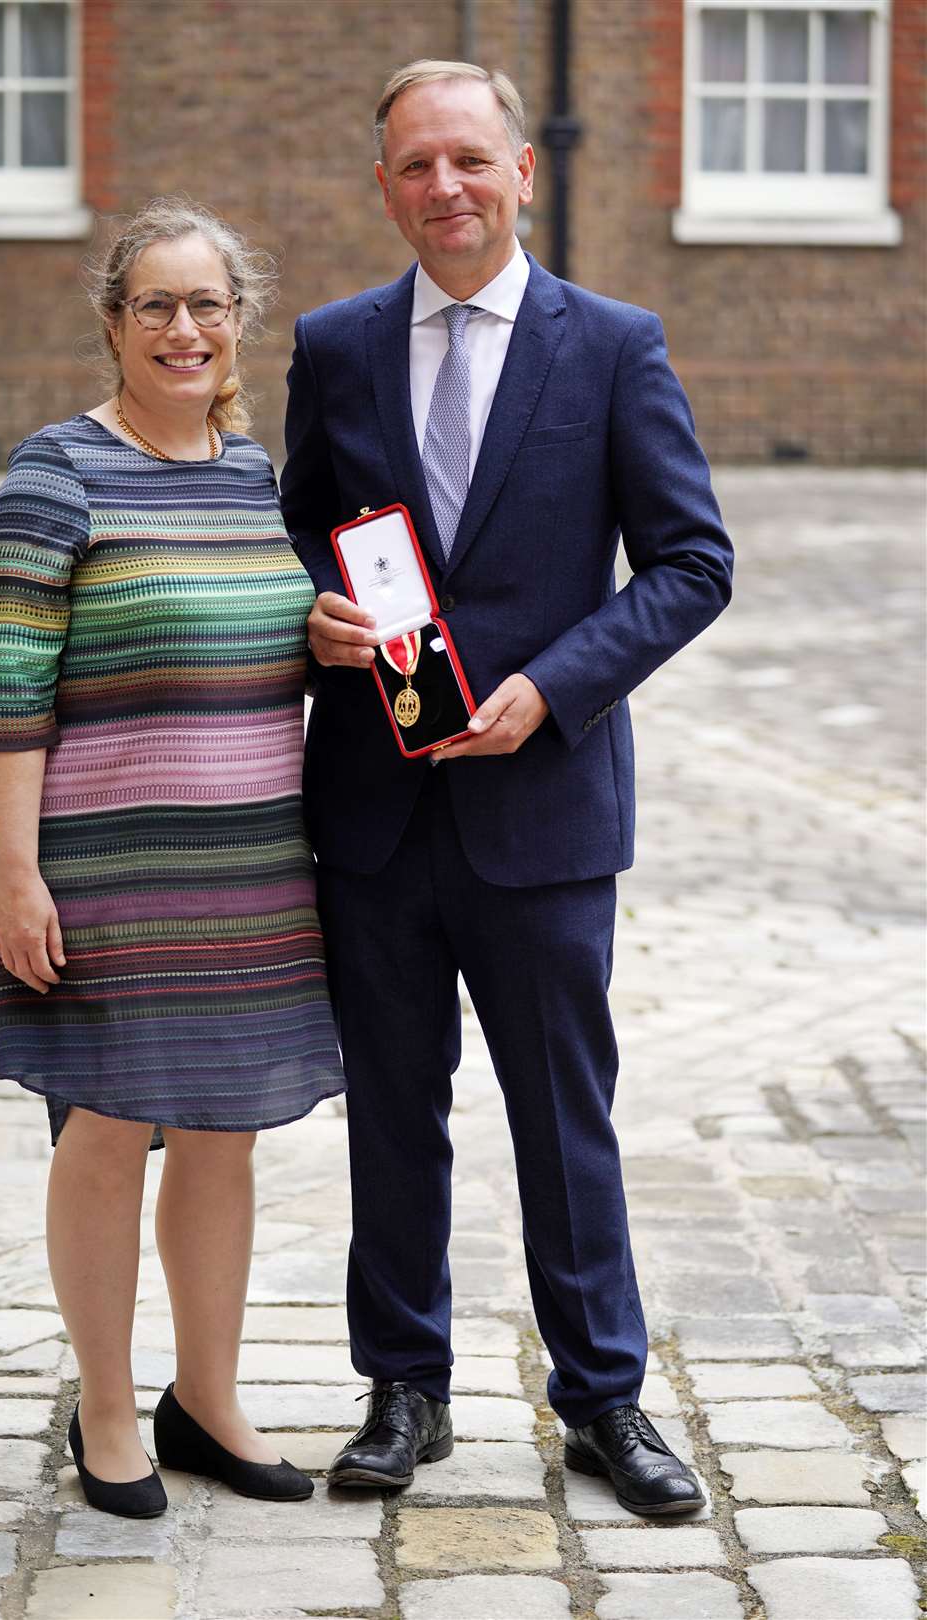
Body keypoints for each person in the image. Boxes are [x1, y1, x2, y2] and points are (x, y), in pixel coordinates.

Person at [281, 61, 733, 1514]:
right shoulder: (336, 350)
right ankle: (404, 1389)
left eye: (469, 160)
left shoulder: (612, 344)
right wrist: (313, 618)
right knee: (394, 1109)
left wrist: (554, 689)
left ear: (521, 170)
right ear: (386, 188)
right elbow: (297, 540)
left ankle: (604, 1399)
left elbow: (690, 565)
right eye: (416, 166)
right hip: (374, 809)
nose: (446, 189)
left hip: (541, 811)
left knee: (563, 1113)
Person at [0, 196, 345, 1517]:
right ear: (115, 323)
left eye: (209, 306)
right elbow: (12, 688)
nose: (184, 330)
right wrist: (16, 872)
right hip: (104, 866)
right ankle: (112, 1410)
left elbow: (264, 636)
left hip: (252, 865)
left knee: (225, 1137)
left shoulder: (259, 478)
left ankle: (210, 1398)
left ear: (240, 321)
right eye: (157, 306)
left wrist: (325, 639)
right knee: (106, 1124)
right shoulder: (55, 474)